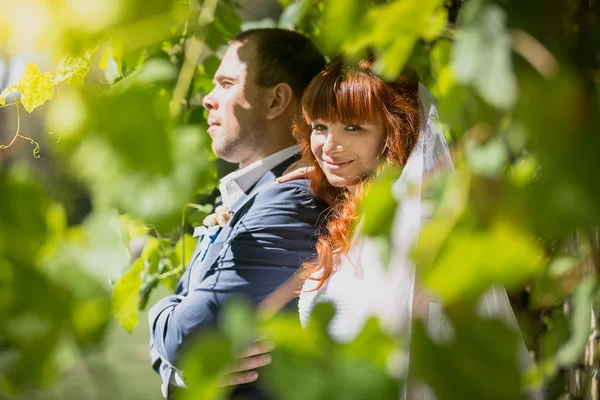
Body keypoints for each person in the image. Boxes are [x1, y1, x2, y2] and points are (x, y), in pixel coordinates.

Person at [273, 57, 544, 399]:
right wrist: (322, 176)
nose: (329, 146)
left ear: (392, 130)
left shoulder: (412, 226)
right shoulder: (368, 213)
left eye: (352, 127)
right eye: (320, 127)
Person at [147, 28, 327, 399]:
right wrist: (186, 372)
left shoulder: (291, 201)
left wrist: (160, 316)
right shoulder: (252, 193)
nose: (207, 100)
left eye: (226, 83)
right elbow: (177, 345)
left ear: (276, 100)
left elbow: (184, 337)